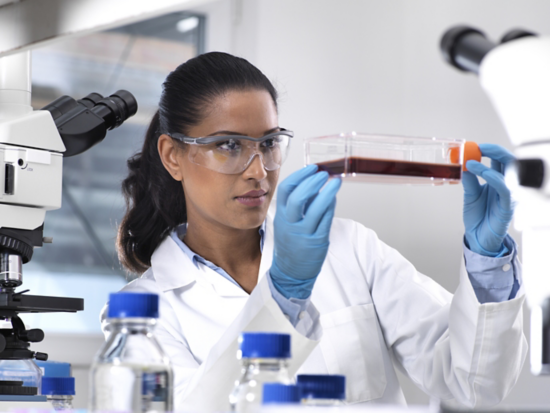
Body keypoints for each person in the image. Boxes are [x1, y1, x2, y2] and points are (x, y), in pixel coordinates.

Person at [103, 52, 526, 412]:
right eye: (229, 145)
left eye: (269, 143)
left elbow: (474, 386)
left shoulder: (350, 249)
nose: (259, 171)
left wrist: (487, 263)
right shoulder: (142, 313)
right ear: (172, 156)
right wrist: (284, 294)